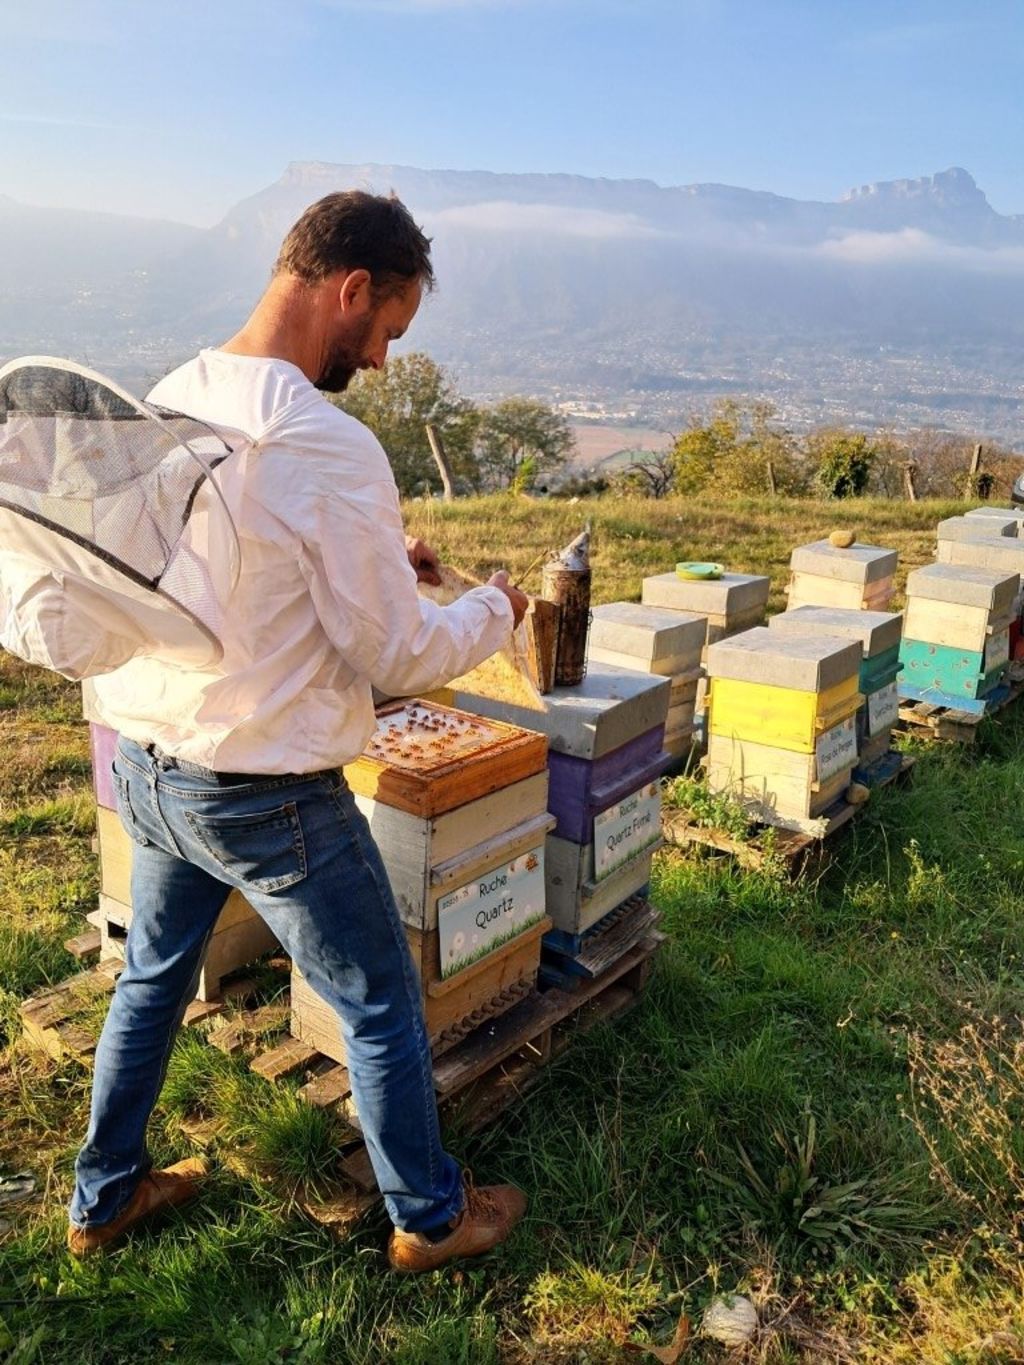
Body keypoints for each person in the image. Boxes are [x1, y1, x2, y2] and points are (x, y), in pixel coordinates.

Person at [67, 190, 531, 1274]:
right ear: (351, 288)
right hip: (267, 795)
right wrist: (493, 608)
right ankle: (430, 1217)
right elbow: (395, 658)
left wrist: (379, 562)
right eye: (386, 330)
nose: (377, 360)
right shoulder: (326, 440)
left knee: (153, 978)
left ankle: (105, 1193)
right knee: (377, 1003)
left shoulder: (176, 392)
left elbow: (233, 571)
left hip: (152, 763)